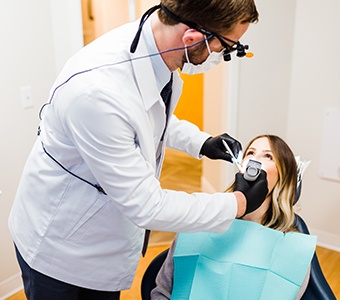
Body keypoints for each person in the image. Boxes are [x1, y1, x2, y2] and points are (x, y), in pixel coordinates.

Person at [8, 1, 268, 299]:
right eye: (226, 46)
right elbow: (146, 204)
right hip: (60, 248)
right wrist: (237, 203)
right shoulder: (97, 92)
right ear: (192, 38)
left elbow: (146, 116)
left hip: (100, 234)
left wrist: (201, 143)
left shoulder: (157, 48)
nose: (223, 55)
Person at [151, 134, 312, 299]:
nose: (254, 160)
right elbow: (161, 292)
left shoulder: (293, 252)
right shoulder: (201, 223)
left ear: (283, 177)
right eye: (250, 153)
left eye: (268, 156)